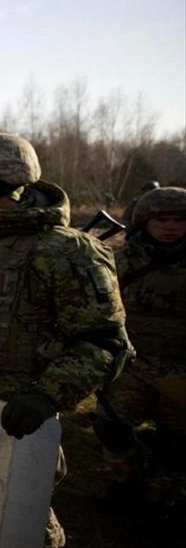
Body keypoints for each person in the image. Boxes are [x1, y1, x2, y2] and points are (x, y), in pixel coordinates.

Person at [0, 132, 130, 548]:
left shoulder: (65, 252)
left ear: (9, 186)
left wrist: (46, 395)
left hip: (16, 420)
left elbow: (104, 342)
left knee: (19, 526)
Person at [95, 186, 186, 507]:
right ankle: (125, 482)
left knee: (175, 444)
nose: (171, 226)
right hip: (128, 365)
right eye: (162, 219)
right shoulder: (119, 260)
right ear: (144, 221)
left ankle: (166, 500)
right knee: (112, 430)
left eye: (179, 220)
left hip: (179, 372)